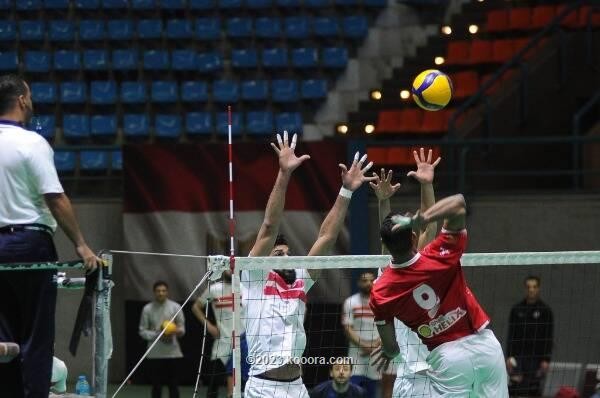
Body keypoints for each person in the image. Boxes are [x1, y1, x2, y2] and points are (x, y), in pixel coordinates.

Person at [242, 134, 376, 398]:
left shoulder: (300, 280)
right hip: (263, 388)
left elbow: (326, 237)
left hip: (296, 388)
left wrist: (346, 191)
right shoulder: (253, 277)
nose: (286, 257)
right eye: (279, 253)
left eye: (289, 253)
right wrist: (284, 174)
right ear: (265, 258)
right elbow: (269, 228)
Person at [0, 74, 100, 398]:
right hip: (30, 245)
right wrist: (82, 245)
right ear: (23, 100)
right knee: (35, 338)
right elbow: (55, 198)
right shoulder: (32, 143)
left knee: (5, 342)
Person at [369, 193, 509, 397]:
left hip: (447, 359)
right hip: (485, 346)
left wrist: (389, 351)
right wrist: (423, 217)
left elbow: (390, 348)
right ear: (414, 237)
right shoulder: (438, 255)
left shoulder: (381, 291)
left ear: (384, 244)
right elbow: (459, 203)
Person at [370, 149, 439, 398]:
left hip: (409, 379)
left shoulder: (384, 280)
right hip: (437, 375)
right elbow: (431, 223)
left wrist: (383, 201)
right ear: (413, 237)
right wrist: (427, 184)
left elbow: (385, 237)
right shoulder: (429, 265)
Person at [192, 269, 248, 397]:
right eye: (227, 267)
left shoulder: (244, 288)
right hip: (222, 342)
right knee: (214, 384)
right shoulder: (214, 289)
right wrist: (209, 326)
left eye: (232, 267)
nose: (230, 270)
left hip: (242, 342)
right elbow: (195, 307)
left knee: (243, 385)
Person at [506, 275, 554, 397]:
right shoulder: (516, 310)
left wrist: (546, 359)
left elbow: (549, 337)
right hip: (518, 357)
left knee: (533, 390)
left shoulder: (545, 311)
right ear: (525, 289)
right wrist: (509, 356)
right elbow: (511, 334)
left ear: (538, 288)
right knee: (515, 389)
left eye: (534, 287)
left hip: (536, 359)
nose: (531, 289)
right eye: (528, 287)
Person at [139, 281, 185, 398]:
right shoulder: (147, 309)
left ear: (167, 292)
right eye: (158, 291)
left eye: (163, 291)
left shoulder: (175, 307)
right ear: (154, 292)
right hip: (154, 354)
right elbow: (142, 331)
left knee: (173, 385)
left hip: (173, 354)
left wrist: (174, 331)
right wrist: (159, 334)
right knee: (156, 386)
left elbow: (182, 329)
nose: (161, 293)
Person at [341, 270, 381, 397]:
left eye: (371, 280)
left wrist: (374, 346)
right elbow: (348, 328)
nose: (368, 283)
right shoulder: (350, 302)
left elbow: (387, 326)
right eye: (365, 280)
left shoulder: (381, 302)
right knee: (353, 392)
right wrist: (364, 346)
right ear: (359, 283)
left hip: (376, 354)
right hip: (356, 355)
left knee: (372, 393)